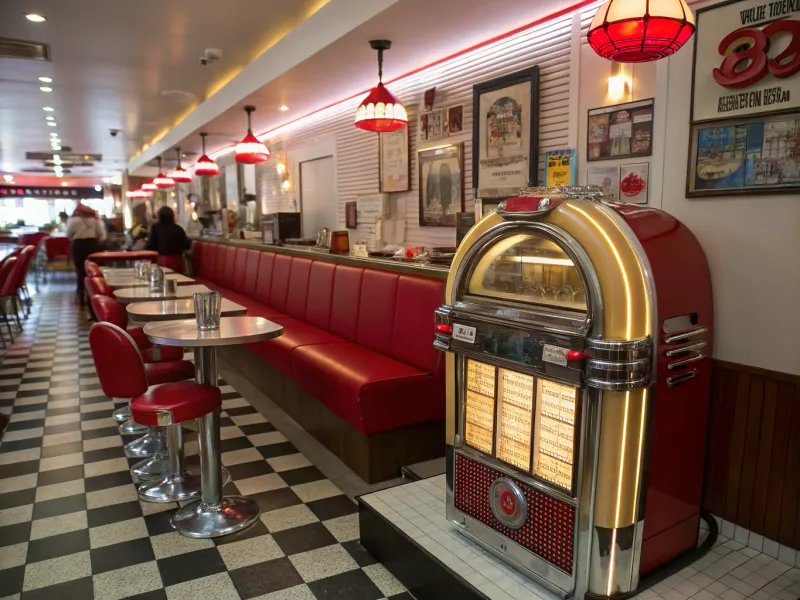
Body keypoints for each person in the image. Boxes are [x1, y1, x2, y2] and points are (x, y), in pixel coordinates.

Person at [66, 202, 106, 304]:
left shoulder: (73, 220)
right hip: (92, 245)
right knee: (93, 270)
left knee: (80, 269)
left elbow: (68, 234)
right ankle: (93, 294)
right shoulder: (95, 220)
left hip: (78, 245)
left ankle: (80, 293)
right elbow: (102, 235)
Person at [145, 206, 191, 273]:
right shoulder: (178, 229)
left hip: (161, 261)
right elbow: (186, 245)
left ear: (160, 216)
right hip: (178, 261)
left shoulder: (155, 227)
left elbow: (151, 245)